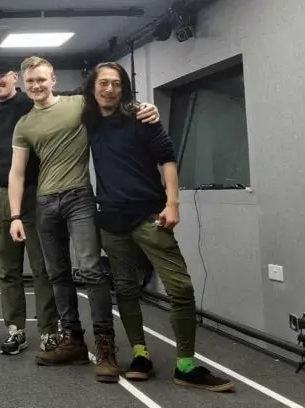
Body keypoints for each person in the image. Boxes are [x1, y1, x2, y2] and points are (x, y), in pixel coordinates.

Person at [82, 61, 234, 391]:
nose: (109, 89)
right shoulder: (88, 119)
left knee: (181, 289)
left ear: (123, 88)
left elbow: (167, 159)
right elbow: (47, 97)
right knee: (125, 289)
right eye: (103, 83)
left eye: (116, 83)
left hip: (151, 215)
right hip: (110, 220)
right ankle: (140, 355)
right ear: (93, 88)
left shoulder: (141, 117)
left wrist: (173, 203)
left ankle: (186, 366)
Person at [8, 55, 159, 383]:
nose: (36, 86)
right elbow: (17, 172)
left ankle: (106, 349)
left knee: (91, 271)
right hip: (44, 203)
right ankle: (74, 341)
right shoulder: (24, 125)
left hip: (80, 198)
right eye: (30, 81)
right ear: (23, 84)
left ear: (53, 81)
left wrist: (146, 108)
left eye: (42, 80)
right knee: (56, 273)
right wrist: (15, 215)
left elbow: (114, 99)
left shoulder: (79, 104)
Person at [0, 60, 66, 355]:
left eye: (1, 76)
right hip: (0, 195)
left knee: (42, 268)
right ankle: (15, 330)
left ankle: (49, 330)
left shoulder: (32, 102)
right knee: (7, 270)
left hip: (36, 192)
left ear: (14, 77)